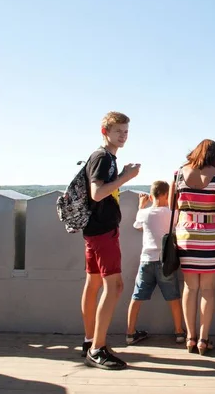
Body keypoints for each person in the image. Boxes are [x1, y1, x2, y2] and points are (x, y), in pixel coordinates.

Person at [82, 111, 140, 370]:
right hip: (103, 231)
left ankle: (90, 341)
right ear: (104, 131)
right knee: (114, 286)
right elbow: (96, 194)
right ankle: (97, 348)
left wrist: (122, 174)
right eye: (118, 131)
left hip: (94, 231)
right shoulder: (104, 158)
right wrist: (126, 177)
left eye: (126, 131)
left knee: (93, 283)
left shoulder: (105, 157)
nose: (123, 136)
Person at [170, 139, 215, 355]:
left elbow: (172, 205)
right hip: (212, 235)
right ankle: (203, 340)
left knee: (190, 287)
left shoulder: (178, 173)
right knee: (207, 289)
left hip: (186, 235)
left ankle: (190, 337)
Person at [126, 181, 185, 346]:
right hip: (165, 261)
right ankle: (179, 332)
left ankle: (130, 333)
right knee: (173, 298)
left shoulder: (144, 214)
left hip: (146, 260)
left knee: (136, 297)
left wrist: (141, 205)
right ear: (167, 194)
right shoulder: (173, 213)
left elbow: (138, 227)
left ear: (151, 196)